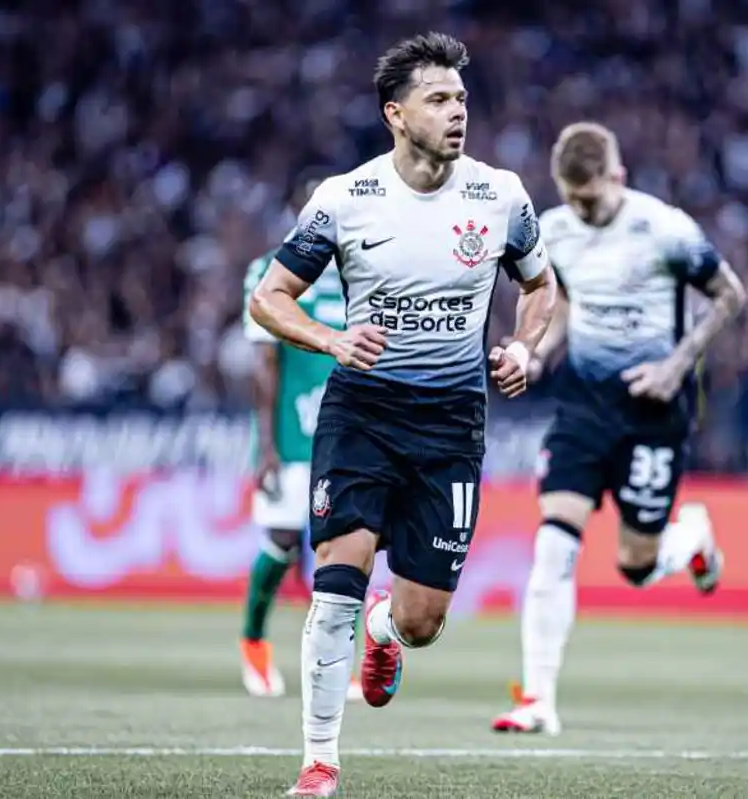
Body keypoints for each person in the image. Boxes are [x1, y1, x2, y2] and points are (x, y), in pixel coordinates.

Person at [248, 32, 557, 797]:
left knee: (421, 620)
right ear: (396, 114)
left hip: (452, 424)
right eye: (439, 100)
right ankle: (319, 762)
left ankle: (386, 633)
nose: (458, 113)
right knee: (333, 587)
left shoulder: (501, 196)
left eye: (461, 98)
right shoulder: (345, 200)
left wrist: (525, 345)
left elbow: (543, 286)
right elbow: (268, 297)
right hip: (363, 415)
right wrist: (330, 338)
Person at [489, 122, 747, 737]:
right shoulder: (551, 231)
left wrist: (677, 364)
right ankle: (539, 701)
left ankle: (693, 539)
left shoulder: (664, 229)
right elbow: (568, 305)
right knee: (554, 543)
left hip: (653, 410)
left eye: (592, 199)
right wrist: (534, 352)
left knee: (636, 565)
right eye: (572, 199)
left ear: (618, 178)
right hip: (583, 406)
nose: (582, 210)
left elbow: (730, 295)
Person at [237, 177, 364, 704]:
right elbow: (263, 364)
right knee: (285, 541)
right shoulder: (272, 270)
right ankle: (254, 641)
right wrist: (265, 446)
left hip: (350, 434)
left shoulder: (363, 271)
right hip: (292, 437)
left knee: (353, 547)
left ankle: (346, 663)